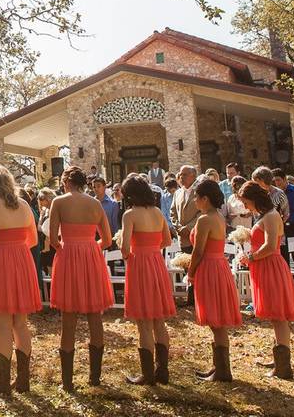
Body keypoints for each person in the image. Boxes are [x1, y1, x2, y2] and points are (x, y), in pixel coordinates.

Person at [0, 165, 41, 395]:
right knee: (21, 324)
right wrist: (16, 249)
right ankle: (23, 381)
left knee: (3, 325)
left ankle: (3, 383)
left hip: (0, 264)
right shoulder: (24, 205)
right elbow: (33, 240)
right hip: (22, 262)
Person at [49, 166, 114, 391]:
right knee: (94, 315)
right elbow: (107, 240)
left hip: (68, 257)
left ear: (66, 182)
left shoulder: (59, 202)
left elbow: (52, 240)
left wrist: (65, 247)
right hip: (91, 257)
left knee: (69, 317)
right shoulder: (95, 204)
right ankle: (94, 378)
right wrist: (90, 245)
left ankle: (67, 383)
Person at [237, 180, 294, 379]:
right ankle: (278, 356)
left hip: (271, 267)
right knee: (274, 316)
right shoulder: (265, 216)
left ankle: (283, 366)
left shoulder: (272, 216)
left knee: (279, 317)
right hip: (264, 267)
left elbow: (271, 245)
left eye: (246, 202)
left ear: (255, 199)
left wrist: (251, 257)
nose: (245, 207)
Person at [119, 175, 174, 386]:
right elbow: (167, 241)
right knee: (158, 319)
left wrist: (134, 251)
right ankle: (163, 371)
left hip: (139, 265)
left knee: (143, 321)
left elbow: (124, 249)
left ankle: (148, 374)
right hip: (156, 263)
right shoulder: (158, 212)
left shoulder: (130, 215)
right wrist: (151, 250)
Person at [187, 179, 241, 383]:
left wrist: (191, 272)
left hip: (209, 267)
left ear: (205, 198)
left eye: (196, 197)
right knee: (217, 321)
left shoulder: (205, 219)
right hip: (219, 265)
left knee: (216, 320)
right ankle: (219, 367)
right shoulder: (217, 216)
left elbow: (198, 251)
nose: (194, 201)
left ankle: (223, 371)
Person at [171, 165, 200, 305]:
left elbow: (202, 212)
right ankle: (190, 298)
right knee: (187, 267)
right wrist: (178, 227)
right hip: (182, 237)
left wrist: (188, 228)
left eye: (184, 174)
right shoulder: (178, 193)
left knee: (197, 267)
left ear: (193, 176)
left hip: (195, 235)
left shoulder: (199, 191)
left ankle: (198, 298)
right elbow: (172, 212)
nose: (181, 177)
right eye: (180, 174)